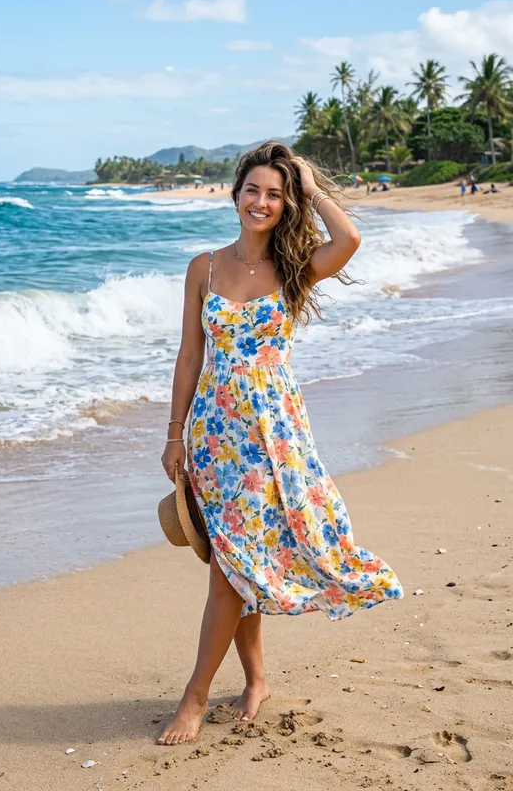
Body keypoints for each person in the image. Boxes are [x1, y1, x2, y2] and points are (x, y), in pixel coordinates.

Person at [157, 142, 403, 746]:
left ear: (285, 202)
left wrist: (311, 185)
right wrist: (174, 435)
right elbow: (191, 355)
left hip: (273, 438)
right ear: (234, 194)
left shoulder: (294, 268)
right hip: (216, 438)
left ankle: (194, 698)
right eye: (253, 190)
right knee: (235, 564)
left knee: (231, 572)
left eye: (274, 193)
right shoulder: (204, 267)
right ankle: (257, 679)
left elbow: (348, 242)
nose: (261, 202)